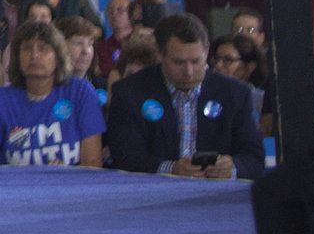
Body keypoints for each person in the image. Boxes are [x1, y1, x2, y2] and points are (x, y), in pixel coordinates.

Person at [104, 13, 263, 179]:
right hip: (153, 197)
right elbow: (124, 157)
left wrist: (233, 168)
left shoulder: (235, 94)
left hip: (217, 197)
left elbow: (255, 159)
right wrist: (170, 169)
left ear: (207, 50)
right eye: (179, 62)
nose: (189, 72)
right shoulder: (129, 92)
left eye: (196, 61)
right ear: (160, 54)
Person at [0, 20, 104, 167]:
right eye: (27, 49)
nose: (34, 55)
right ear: (17, 57)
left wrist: (67, 177)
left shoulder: (80, 92)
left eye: (43, 48)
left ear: (58, 56)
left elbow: (93, 165)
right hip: (14, 188)